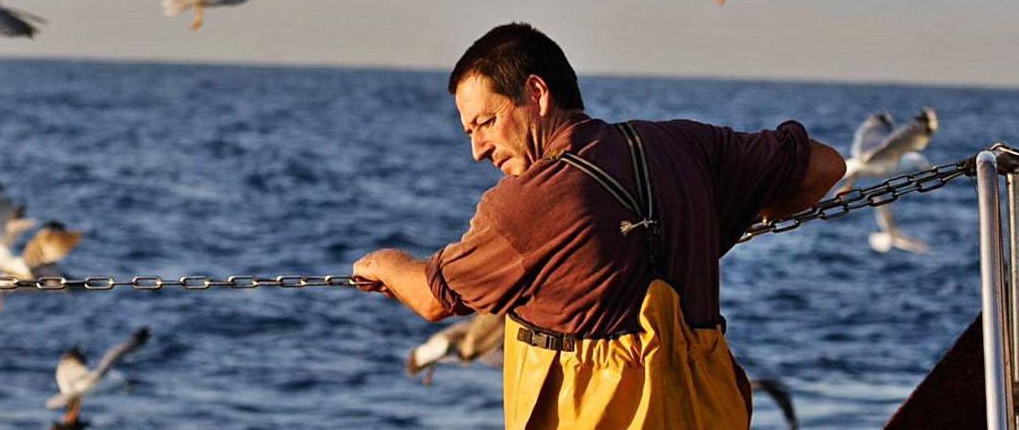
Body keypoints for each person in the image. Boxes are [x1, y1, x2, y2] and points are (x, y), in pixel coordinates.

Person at [353, 23, 845, 429]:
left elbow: (433, 298)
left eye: (485, 122)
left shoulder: (524, 206)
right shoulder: (688, 146)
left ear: (536, 93)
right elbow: (825, 166)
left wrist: (385, 263)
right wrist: (748, 215)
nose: (478, 149)